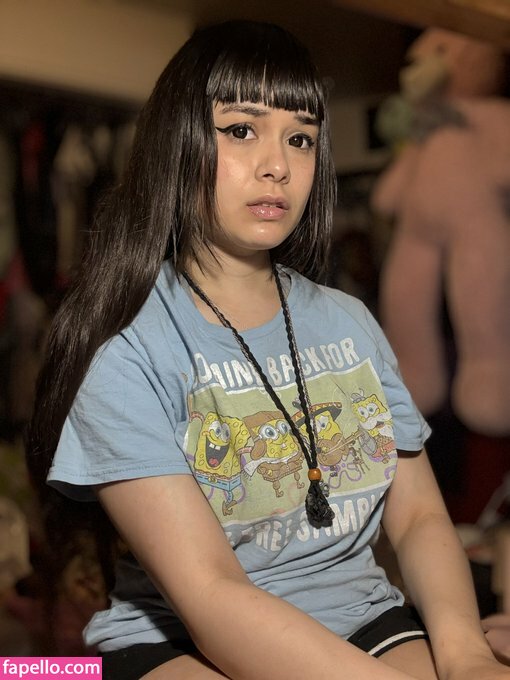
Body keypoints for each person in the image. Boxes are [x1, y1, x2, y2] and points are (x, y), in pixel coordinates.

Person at [26, 20, 510, 680]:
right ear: (179, 141)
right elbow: (211, 594)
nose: (278, 165)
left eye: (300, 137)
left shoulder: (349, 322)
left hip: (361, 616)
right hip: (186, 637)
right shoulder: (127, 349)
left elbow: (421, 517)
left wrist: (466, 655)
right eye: (241, 130)